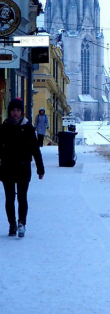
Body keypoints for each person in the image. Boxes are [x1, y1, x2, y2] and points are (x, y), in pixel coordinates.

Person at [0, 99, 44, 237]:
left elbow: (35, 149)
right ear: (9, 111)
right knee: (9, 198)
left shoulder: (28, 128)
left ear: (21, 112)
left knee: (22, 197)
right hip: (7, 168)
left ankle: (22, 223)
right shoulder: (4, 127)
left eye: (18, 110)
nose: (15, 113)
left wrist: (40, 168)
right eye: (13, 110)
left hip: (23, 168)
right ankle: (12, 224)